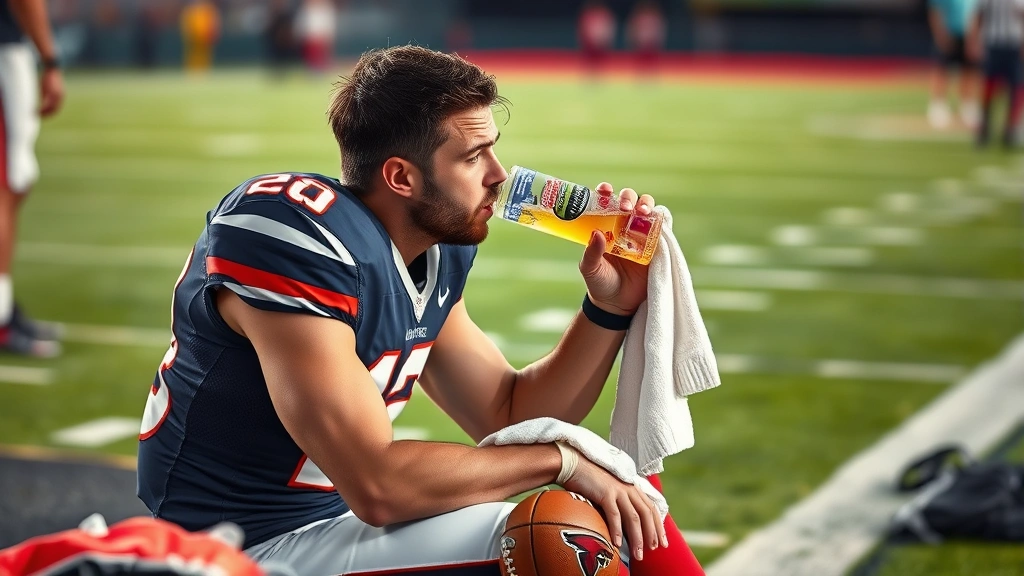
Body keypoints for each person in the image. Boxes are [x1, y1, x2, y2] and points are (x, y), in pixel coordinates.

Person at [137, 45, 705, 575]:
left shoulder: (430, 253)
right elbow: (379, 484)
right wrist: (564, 461)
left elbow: (508, 412)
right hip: (237, 545)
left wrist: (607, 308)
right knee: (560, 536)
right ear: (401, 177)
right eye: (474, 155)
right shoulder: (296, 236)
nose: (499, 174)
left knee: (620, 513)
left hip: (336, 523)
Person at [0, 0, 63, 357]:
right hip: (4, 52)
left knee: (14, 186)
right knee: (6, 189)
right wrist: (50, 60)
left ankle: (3, 305)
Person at [971, 0, 1024, 147]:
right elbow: (978, 16)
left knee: (1016, 88)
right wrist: (973, 41)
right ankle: (984, 127)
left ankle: (1011, 129)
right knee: (989, 87)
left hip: (1013, 45)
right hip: (992, 44)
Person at [927, 0, 982, 128]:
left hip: (969, 35)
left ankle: (967, 105)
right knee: (941, 69)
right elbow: (935, 10)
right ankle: (937, 105)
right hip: (949, 32)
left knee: (969, 69)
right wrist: (940, 34)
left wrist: (975, 37)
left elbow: (979, 14)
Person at [180, 0, 220, 74]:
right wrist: (189, 34)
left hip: (205, 37)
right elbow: (186, 24)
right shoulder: (190, 9)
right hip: (194, 38)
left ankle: (204, 73)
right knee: (193, 55)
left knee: (205, 56)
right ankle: (192, 73)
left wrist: (212, 32)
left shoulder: (208, 9)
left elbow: (213, 22)